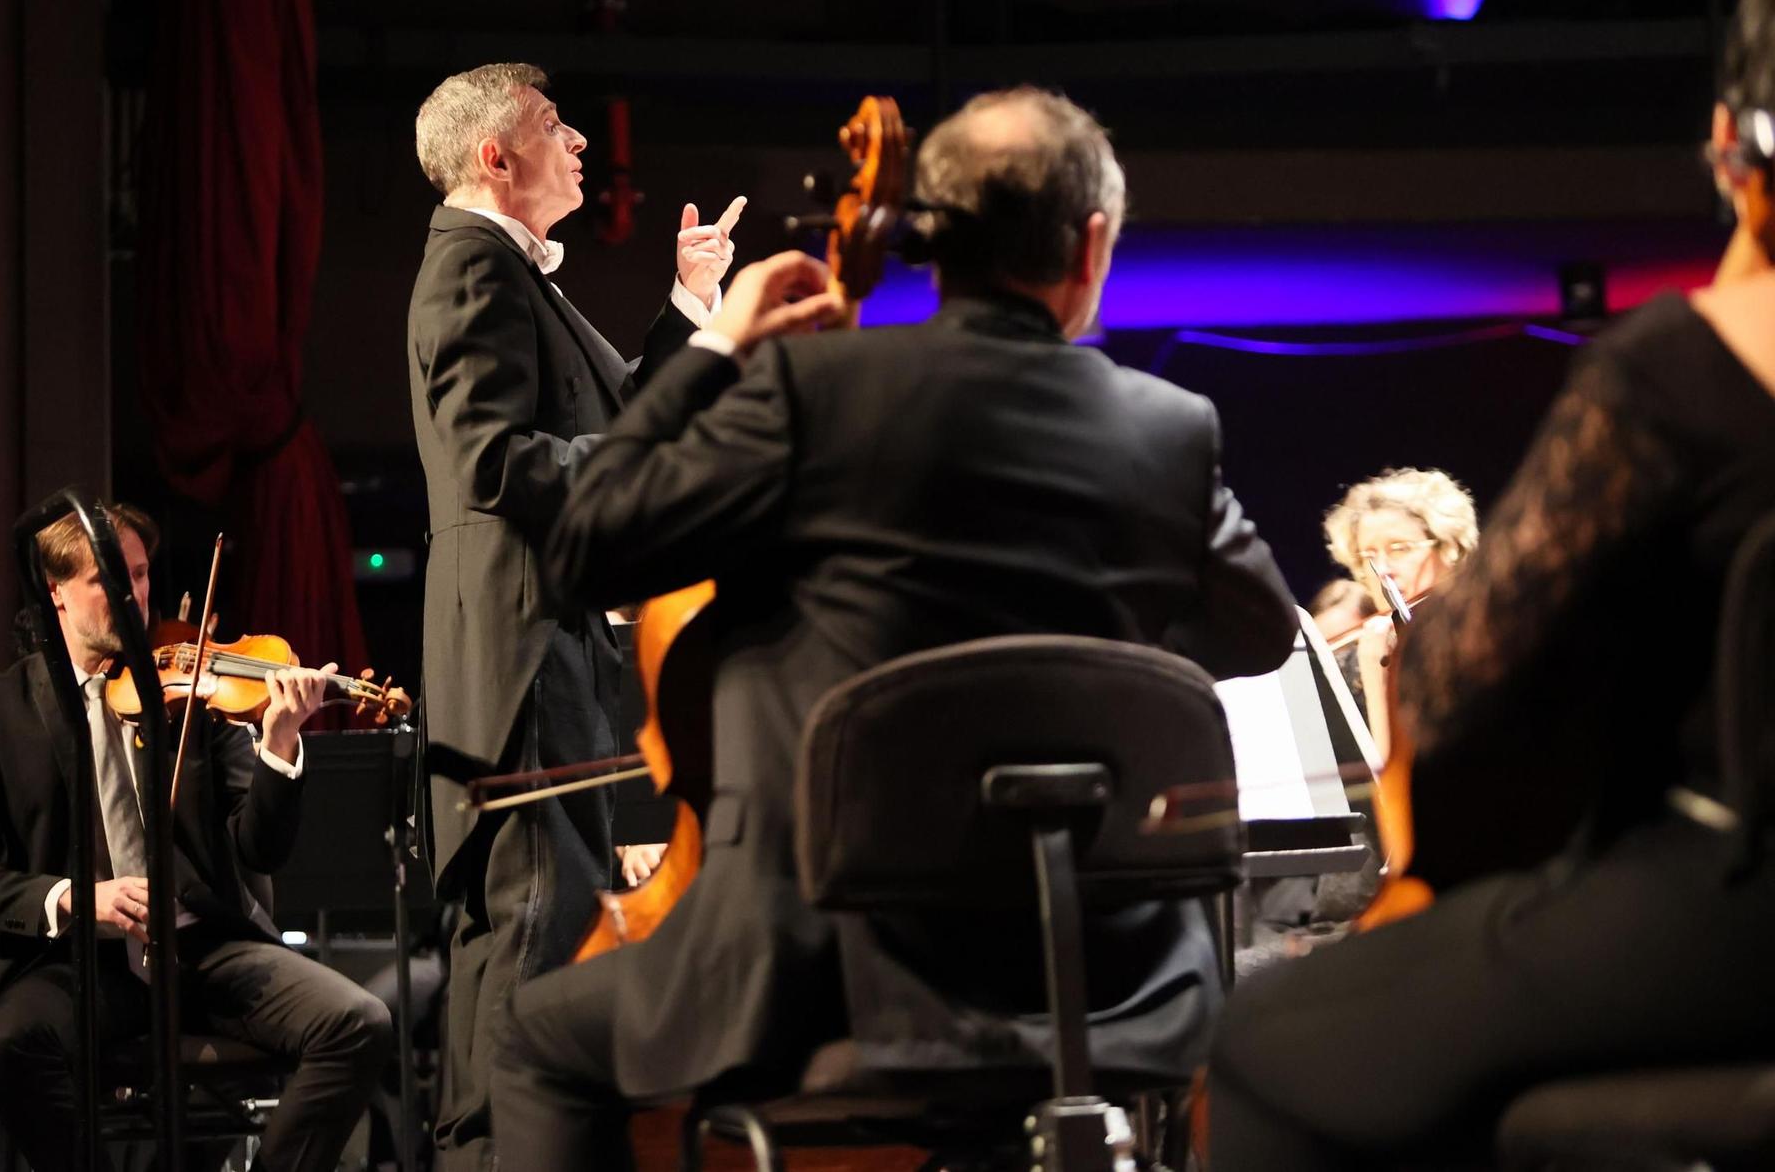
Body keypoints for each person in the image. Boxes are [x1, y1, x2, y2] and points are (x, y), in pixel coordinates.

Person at [490, 85, 1299, 1169]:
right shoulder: (1164, 429)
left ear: (930, 240)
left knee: (531, 1036)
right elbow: (1257, 631)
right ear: (1091, 245)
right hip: (1106, 973)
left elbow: (585, 544)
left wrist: (721, 341)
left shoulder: (810, 389)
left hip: (823, 971)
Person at [1207, 0, 1775, 1169]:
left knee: (1267, 1034)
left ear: (1730, 145)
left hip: (1729, 906)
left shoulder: (1677, 367)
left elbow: (1465, 696)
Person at [406, 62, 738, 1167]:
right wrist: (652, 452)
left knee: (553, 942)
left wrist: (691, 303)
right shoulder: (470, 267)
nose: (583, 143)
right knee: (531, 950)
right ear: (494, 157)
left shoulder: (518, 279)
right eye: (555, 126)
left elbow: (620, 413)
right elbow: (495, 464)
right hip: (520, 666)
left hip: (556, 662)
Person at [0, 504, 392, 1172]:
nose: (133, 595)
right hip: (82, 964)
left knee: (360, 1022)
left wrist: (281, 741)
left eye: (141, 575)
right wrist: (74, 896)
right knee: (7, 1042)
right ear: (55, 589)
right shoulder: (0, 708)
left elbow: (259, 848)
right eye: (108, 578)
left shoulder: (191, 685)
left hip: (203, 949)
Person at [1320, 467, 1478, 740]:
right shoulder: (1343, 676)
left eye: (1399, 548)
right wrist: (1377, 679)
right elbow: (1385, 780)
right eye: (1368, 555)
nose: (1382, 569)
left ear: (1448, 549)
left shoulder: (1482, 631)